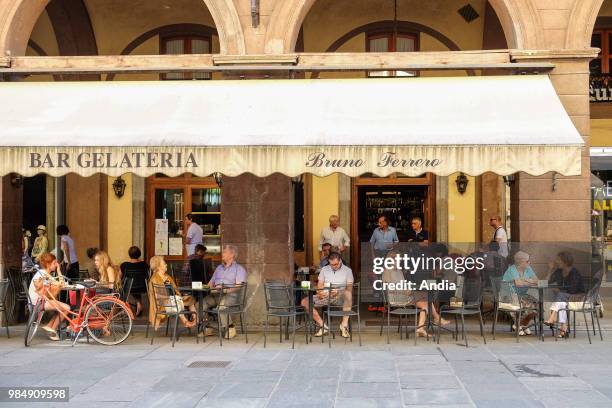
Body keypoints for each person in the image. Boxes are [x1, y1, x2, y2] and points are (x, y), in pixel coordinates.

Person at [382, 250, 449, 336]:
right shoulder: (387, 271)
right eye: (398, 259)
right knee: (426, 297)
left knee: (426, 303)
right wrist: (404, 290)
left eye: (400, 259)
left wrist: (407, 288)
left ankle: (421, 328)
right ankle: (436, 318)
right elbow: (389, 288)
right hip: (397, 297)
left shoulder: (398, 270)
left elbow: (403, 284)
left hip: (406, 295)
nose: (400, 261)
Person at [300, 252, 354, 338]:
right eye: (331, 264)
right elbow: (320, 284)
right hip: (325, 294)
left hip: (339, 296)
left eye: (336, 264)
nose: (334, 266)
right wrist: (320, 292)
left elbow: (349, 288)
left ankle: (344, 326)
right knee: (305, 302)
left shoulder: (348, 270)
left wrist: (339, 291)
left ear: (340, 261)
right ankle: (322, 326)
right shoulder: (325, 269)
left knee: (348, 294)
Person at [203, 244, 248, 339]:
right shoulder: (219, 268)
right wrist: (210, 287)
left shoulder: (239, 269)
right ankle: (208, 327)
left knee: (221, 307)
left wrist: (225, 289)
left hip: (231, 296)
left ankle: (230, 328)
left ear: (231, 254)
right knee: (200, 304)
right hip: (215, 295)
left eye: (224, 252)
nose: (222, 254)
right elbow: (211, 282)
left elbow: (239, 285)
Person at [29, 253, 70, 341]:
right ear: (48, 264)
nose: (56, 265)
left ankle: (49, 327)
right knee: (66, 308)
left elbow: (58, 284)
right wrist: (59, 271)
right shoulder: (44, 274)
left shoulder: (44, 273)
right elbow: (62, 284)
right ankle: (52, 329)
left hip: (37, 301)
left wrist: (58, 271)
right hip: (39, 303)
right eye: (55, 263)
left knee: (63, 308)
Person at [148, 255, 197, 330]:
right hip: (163, 305)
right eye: (164, 263)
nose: (166, 264)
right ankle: (185, 322)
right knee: (176, 302)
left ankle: (196, 320)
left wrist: (178, 296)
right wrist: (173, 298)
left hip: (173, 300)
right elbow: (159, 298)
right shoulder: (154, 279)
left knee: (189, 299)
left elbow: (175, 290)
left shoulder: (167, 276)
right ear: (158, 267)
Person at [545, 251, 585, 338]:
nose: (556, 262)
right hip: (564, 298)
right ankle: (563, 328)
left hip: (577, 297)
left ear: (565, 261)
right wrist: (550, 269)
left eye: (558, 260)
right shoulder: (559, 271)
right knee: (561, 303)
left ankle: (553, 317)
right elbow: (547, 282)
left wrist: (558, 290)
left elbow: (572, 290)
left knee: (560, 295)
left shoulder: (574, 273)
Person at [502, 251, 538, 336]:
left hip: (521, 296)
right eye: (528, 261)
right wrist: (529, 281)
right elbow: (518, 284)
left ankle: (523, 324)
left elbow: (537, 281)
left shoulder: (528, 268)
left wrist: (525, 280)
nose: (529, 262)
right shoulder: (512, 269)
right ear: (521, 262)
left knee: (536, 305)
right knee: (523, 305)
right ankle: (518, 325)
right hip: (509, 296)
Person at [120, 246, 149, 316]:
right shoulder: (144, 264)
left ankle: (125, 305)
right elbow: (147, 276)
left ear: (129, 254)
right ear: (139, 254)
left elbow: (120, 277)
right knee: (136, 285)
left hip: (129, 287)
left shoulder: (124, 265)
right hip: (142, 287)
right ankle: (139, 304)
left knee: (122, 288)